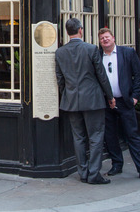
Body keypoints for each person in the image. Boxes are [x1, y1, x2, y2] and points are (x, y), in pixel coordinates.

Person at [55, 18, 115, 185]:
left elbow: (60, 79)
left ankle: (83, 172)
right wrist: (110, 96)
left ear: (67, 32)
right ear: (80, 30)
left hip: (72, 100)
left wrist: (67, 94)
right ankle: (94, 173)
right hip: (93, 99)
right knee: (96, 136)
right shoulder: (91, 49)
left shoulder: (60, 52)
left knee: (79, 137)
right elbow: (101, 75)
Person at [98, 28, 140, 182]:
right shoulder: (97, 56)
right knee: (110, 136)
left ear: (113, 38)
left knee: (132, 135)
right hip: (107, 103)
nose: (105, 40)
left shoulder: (127, 53)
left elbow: (138, 76)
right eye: (102, 38)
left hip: (125, 101)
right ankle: (117, 164)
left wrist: (135, 97)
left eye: (107, 37)